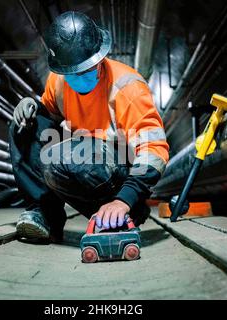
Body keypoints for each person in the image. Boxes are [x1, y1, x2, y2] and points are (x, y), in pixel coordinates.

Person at [9, 11, 169, 242]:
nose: (81, 76)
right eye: (74, 72)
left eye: (88, 68)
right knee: (23, 127)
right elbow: (46, 117)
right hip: (84, 159)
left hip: (121, 174)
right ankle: (45, 214)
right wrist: (31, 106)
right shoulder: (59, 81)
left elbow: (154, 150)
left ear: (100, 57)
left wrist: (125, 199)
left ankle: (125, 213)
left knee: (68, 155)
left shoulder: (127, 87)